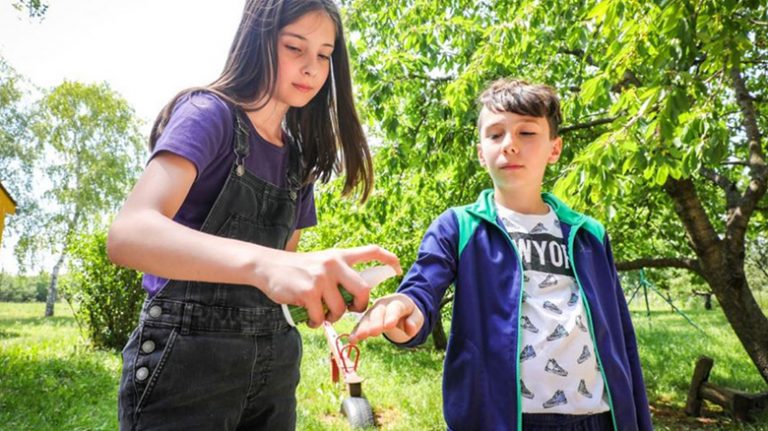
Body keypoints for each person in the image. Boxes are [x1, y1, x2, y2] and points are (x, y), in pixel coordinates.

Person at [107, 1, 401, 429]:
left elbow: (283, 281)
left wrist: (347, 291)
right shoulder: (208, 114)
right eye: (294, 47)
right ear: (257, 40)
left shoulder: (299, 160)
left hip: (273, 371)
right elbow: (128, 234)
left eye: (324, 54)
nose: (312, 68)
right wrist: (268, 264)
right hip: (186, 366)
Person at [350, 78, 653, 431]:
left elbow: (622, 341)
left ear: (554, 149)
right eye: (495, 135)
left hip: (596, 418)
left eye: (527, 134)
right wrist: (402, 313)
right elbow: (421, 291)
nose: (509, 145)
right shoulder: (458, 226)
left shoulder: (589, 234)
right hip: (503, 420)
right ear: (481, 152)